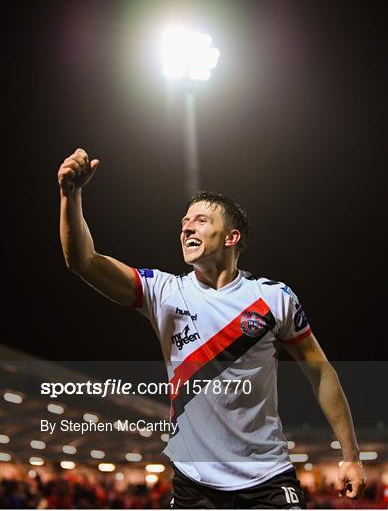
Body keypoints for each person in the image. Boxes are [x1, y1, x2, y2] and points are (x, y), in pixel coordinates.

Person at [58, 148, 367, 509]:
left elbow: (320, 372)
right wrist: (70, 196)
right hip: (194, 486)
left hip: (267, 478)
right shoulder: (163, 292)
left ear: (231, 238)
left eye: (201, 220)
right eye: (184, 222)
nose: (187, 227)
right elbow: (83, 261)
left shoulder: (274, 298)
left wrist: (351, 454)